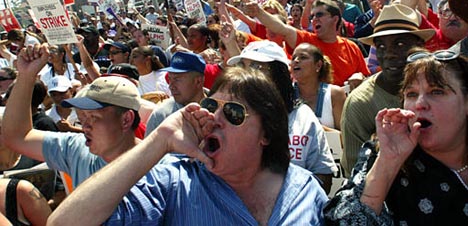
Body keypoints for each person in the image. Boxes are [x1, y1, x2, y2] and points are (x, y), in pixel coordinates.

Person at [47, 67, 328, 225]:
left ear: (266, 133)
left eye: (233, 113)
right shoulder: (173, 181)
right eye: (209, 106)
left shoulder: (305, 189)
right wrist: (160, 141)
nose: (214, 119)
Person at [325, 49, 468, 224]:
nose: (420, 104)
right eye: (411, 94)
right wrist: (388, 162)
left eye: (437, 91)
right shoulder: (380, 154)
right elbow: (346, 221)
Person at [2, 43, 143, 189]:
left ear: (126, 119)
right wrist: (26, 76)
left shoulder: (158, 170)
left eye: (94, 117)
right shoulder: (76, 148)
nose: (85, 126)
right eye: (83, 118)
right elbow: (18, 137)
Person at [227, 40, 337, 193]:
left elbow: (323, 176)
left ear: (278, 74)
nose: (246, 74)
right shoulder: (229, 115)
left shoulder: (304, 118)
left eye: (256, 67)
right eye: (242, 67)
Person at [341, 4, 435, 176]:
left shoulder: (440, 90)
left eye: (399, 44)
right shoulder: (360, 104)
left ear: (420, 45)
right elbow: (355, 173)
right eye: (381, 47)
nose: (389, 54)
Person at [246, 0, 370, 86]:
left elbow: (367, 77)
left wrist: (360, 78)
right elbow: (282, 29)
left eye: (319, 15)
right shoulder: (307, 42)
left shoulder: (351, 47)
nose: (314, 20)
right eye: (312, 16)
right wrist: (259, 13)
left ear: (335, 19)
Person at [145, 51, 207, 136]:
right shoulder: (161, 116)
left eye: (177, 79)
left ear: (198, 81)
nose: (171, 86)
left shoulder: (220, 111)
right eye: (170, 79)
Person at [291, 43, 346, 130]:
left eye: (303, 57)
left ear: (318, 65)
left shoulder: (335, 94)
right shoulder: (284, 92)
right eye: (293, 58)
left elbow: (345, 137)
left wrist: (314, 127)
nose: (296, 61)